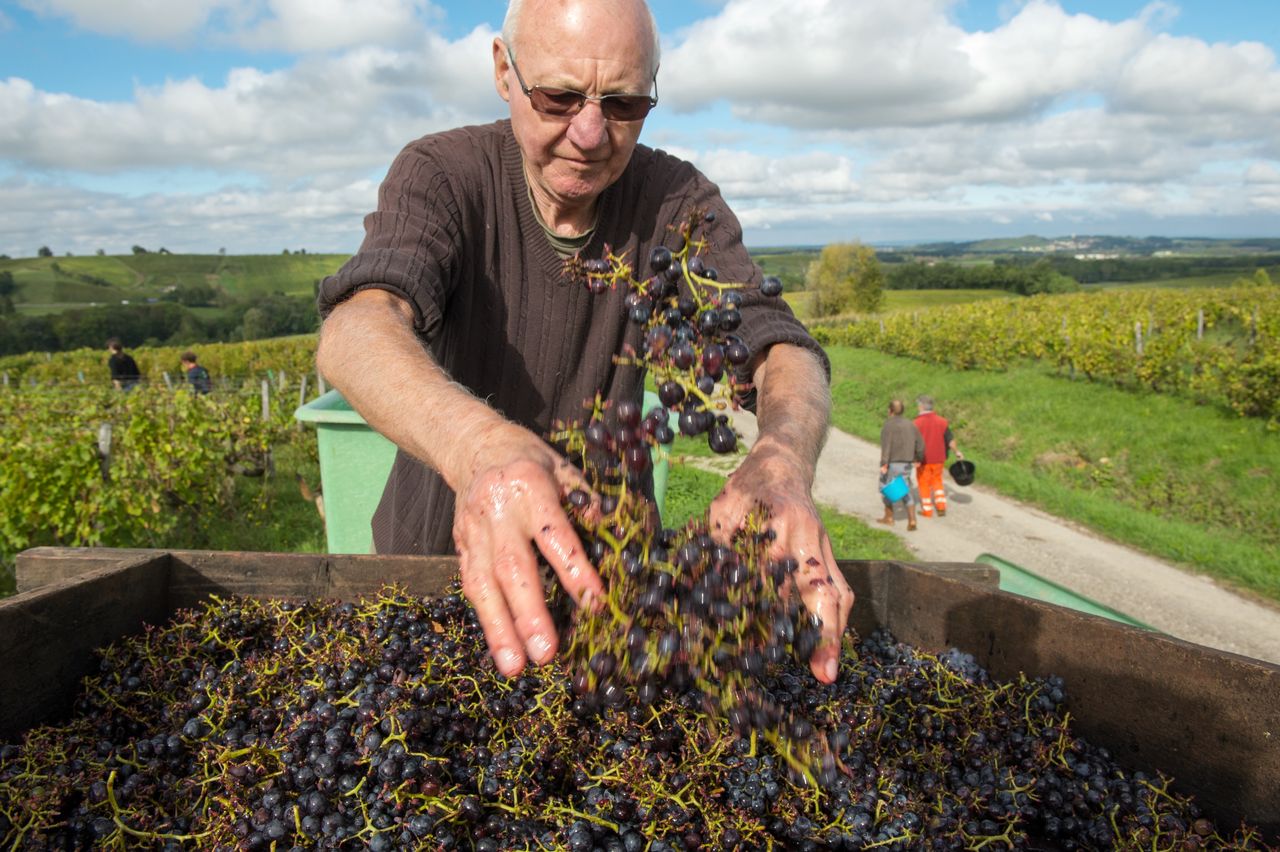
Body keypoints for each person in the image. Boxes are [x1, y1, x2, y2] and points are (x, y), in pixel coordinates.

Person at [314, 0, 852, 685]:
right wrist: (479, 449)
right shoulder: (442, 176)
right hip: (434, 575)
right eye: (560, 97)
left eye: (624, 104)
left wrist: (781, 460)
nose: (591, 133)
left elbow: (780, 345)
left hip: (612, 586)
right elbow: (358, 327)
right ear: (505, 72)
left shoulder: (677, 203)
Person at [913, 394, 962, 518]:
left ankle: (927, 510)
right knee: (937, 481)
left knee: (923, 483)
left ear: (921, 406)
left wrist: (912, 458)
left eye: (918, 405)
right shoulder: (942, 421)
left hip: (924, 459)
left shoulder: (916, 423)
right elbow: (950, 440)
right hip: (939, 459)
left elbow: (912, 443)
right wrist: (957, 452)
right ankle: (941, 507)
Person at [878, 399, 923, 531]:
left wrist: (884, 463)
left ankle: (889, 517)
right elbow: (920, 444)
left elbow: (886, 445)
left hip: (892, 463)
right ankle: (912, 520)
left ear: (890, 411)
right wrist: (918, 458)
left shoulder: (888, 425)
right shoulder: (911, 425)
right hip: (907, 464)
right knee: (905, 488)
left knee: (887, 488)